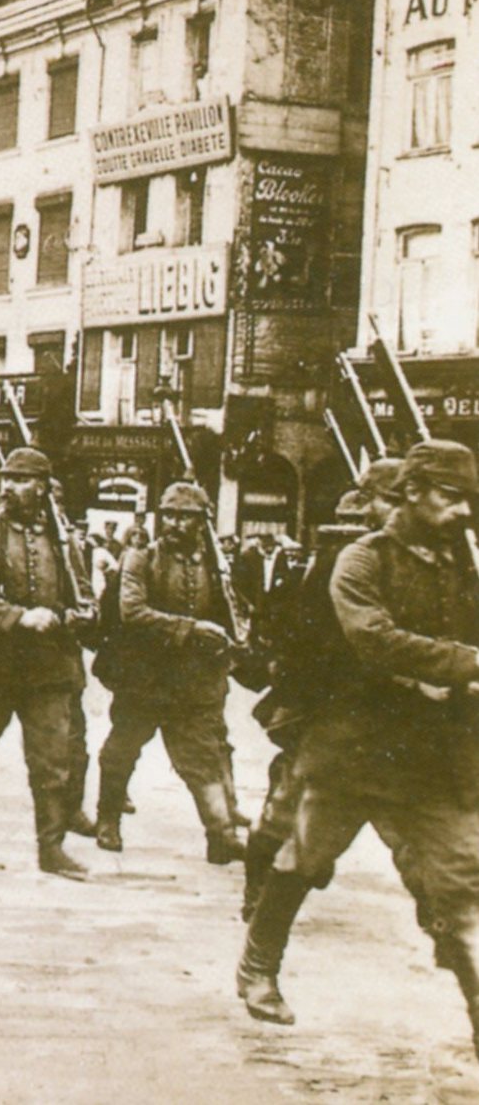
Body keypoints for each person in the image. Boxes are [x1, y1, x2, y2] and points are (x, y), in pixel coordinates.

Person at [238, 441, 479, 1053]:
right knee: (305, 861)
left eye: (468, 501)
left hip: (434, 759)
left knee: (462, 882)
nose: (462, 512)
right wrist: (465, 663)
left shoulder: (463, 565)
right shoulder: (361, 559)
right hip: (355, 750)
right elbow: (374, 640)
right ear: (415, 491)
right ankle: (258, 966)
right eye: (451, 498)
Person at [241, 459, 402, 923]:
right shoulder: (340, 562)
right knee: (286, 811)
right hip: (331, 711)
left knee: (412, 831)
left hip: (395, 723)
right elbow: (302, 636)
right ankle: (259, 891)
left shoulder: (416, 565)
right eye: (388, 503)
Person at [0, 447, 97, 881]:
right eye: (6, 478)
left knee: (51, 758)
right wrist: (19, 617)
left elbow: (85, 600)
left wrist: (66, 617)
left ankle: (51, 848)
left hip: (48, 666)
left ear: (42, 488)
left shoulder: (64, 542)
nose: (8, 487)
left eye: (21, 480)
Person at [92, 481, 246, 863]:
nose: (176, 524)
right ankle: (108, 820)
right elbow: (133, 612)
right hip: (144, 678)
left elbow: (233, 612)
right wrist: (192, 629)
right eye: (170, 515)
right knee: (120, 752)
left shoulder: (215, 564)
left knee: (203, 758)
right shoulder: (141, 558)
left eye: (186, 517)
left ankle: (220, 835)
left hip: (193, 681)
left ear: (202, 522)